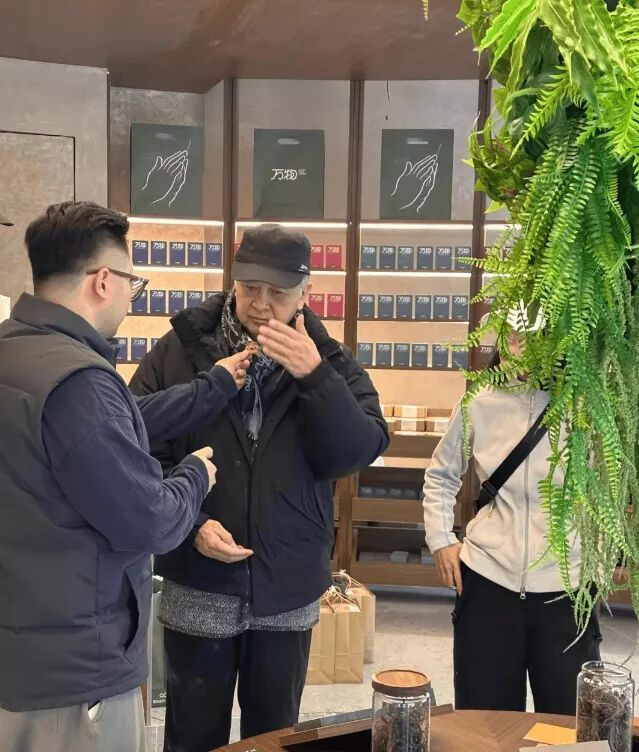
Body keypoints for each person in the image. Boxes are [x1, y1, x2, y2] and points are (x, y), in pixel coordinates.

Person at [0, 201, 253, 752]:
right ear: (103, 281)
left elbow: (113, 430)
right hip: (75, 675)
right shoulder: (80, 381)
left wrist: (212, 387)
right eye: (132, 284)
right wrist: (194, 474)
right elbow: (152, 523)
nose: (130, 296)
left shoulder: (16, 353)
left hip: (22, 650)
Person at [130, 224, 389, 752]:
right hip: (197, 580)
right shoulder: (180, 348)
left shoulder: (329, 359)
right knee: (192, 733)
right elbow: (139, 445)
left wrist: (315, 377)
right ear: (233, 281)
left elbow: (357, 450)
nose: (261, 304)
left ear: (306, 292)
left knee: (274, 735)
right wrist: (192, 524)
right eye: (250, 288)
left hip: (286, 584)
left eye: (278, 292)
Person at [422, 305, 601, 715]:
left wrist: (613, 552)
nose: (520, 348)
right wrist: (440, 539)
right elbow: (441, 474)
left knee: (568, 723)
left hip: (565, 587)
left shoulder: (585, 406)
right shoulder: (479, 401)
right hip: (488, 581)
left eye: (534, 339)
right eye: (513, 337)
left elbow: (614, 482)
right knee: (484, 720)